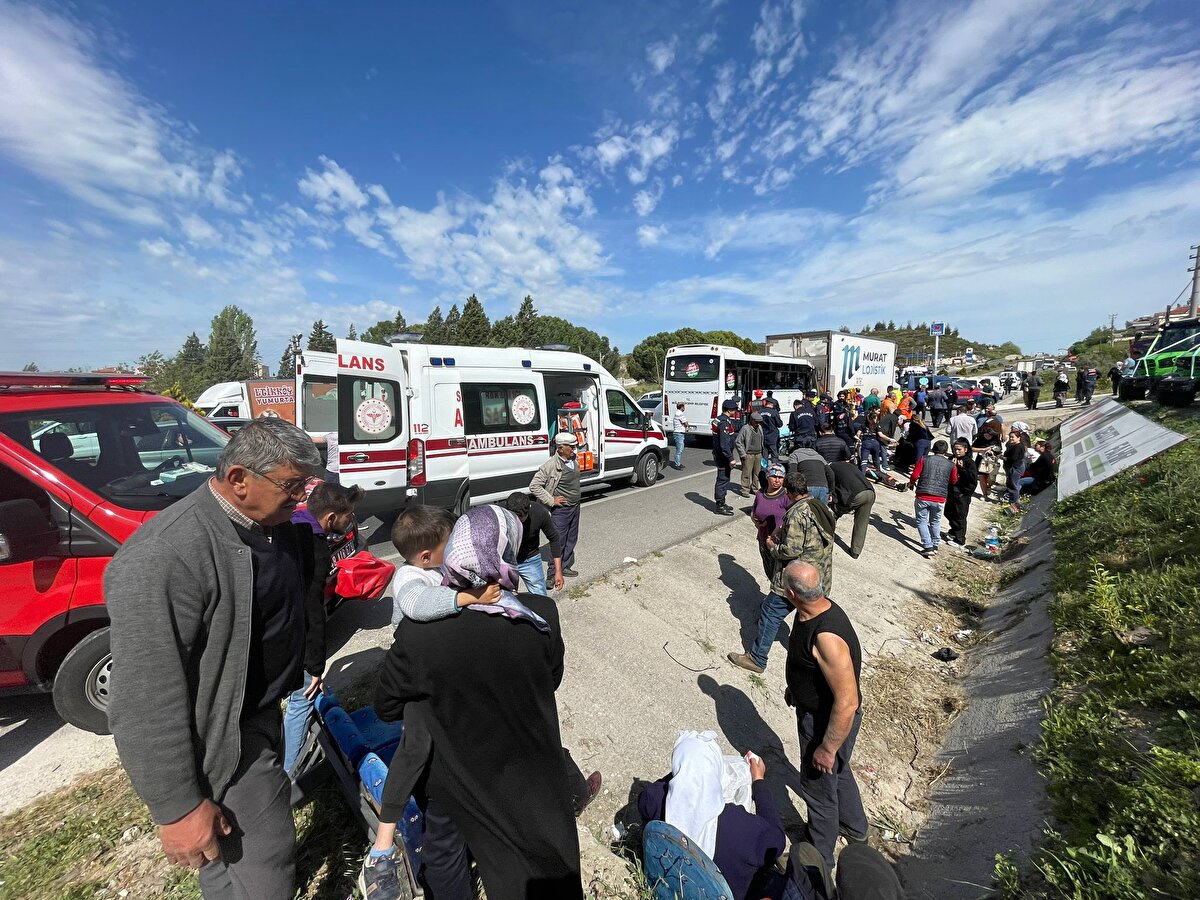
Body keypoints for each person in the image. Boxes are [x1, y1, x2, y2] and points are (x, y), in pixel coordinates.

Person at [106, 419, 322, 900]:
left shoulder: (269, 523)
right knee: (266, 869)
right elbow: (143, 698)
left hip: (262, 713)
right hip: (225, 735)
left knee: (229, 862)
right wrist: (178, 808)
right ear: (240, 479)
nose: (301, 498)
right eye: (293, 485)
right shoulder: (164, 556)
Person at [374, 506, 584, 900]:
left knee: (445, 851)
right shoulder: (540, 616)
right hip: (527, 766)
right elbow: (549, 680)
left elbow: (385, 707)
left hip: (457, 776)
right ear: (508, 551)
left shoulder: (419, 636)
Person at [362, 505, 504, 898]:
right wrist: (467, 598)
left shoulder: (439, 568)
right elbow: (416, 607)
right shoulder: (409, 576)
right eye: (449, 546)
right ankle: (383, 846)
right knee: (414, 750)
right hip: (418, 677)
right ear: (425, 556)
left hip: (445, 673)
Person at [781, 561, 869, 869]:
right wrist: (795, 687)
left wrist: (828, 747)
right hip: (818, 712)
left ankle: (819, 858)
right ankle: (856, 830)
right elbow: (808, 666)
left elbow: (846, 702)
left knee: (818, 787)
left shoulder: (827, 637)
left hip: (827, 722)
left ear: (792, 593)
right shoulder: (810, 611)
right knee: (839, 772)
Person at [638, 731, 787, 900]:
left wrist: (686, 770)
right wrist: (759, 781)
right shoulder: (742, 828)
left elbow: (649, 795)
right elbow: (777, 840)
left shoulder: (655, 800)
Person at [282, 481, 365, 774]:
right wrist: (315, 666)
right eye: (347, 516)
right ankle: (289, 773)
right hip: (294, 634)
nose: (350, 520)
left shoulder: (295, 522)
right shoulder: (314, 549)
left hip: (281, 628)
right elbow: (313, 611)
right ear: (330, 518)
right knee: (302, 698)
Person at [728, 472, 835, 674]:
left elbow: (791, 551)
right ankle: (814, 656)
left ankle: (757, 659)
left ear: (789, 491)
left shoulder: (797, 513)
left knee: (770, 610)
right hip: (820, 574)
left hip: (799, 577)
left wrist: (771, 546)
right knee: (807, 616)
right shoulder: (818, 506)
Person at [530, 432, 582, 577]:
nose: (574, 449)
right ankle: (553, 574)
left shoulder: (574, 458)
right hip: (561, 511)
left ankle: (564, 566)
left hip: (575, 506)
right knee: (558, 541)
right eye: (571, 447)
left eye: (575, 446)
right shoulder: (551, 465)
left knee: (571, 539)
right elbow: (534, 486)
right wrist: (552, 500)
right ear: (560, 448)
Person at [502, 491, 564, 595]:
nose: (516, 522)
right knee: (504, 598)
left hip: (529, 559)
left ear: (528, 510)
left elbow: (554, 538)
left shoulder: (539, 512)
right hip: (505, 561)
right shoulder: (499, 512)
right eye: (513, 518)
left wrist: (558, 571)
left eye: (520, 518)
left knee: (540, 596)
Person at [907, 439, 957, 557]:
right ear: (946, 451)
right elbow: (954, 480)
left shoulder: (924, 459)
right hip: (940, 497)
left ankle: (928, 545)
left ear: (933, 449)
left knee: (922, 521)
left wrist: (911, 483)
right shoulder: (951, 465)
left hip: (923, 495)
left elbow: (914, 475)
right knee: (935, 522)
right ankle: (935, 544)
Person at [751, 463, 794, 579]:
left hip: (780, 544)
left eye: (780, 478)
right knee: (770, 572)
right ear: (767, 477)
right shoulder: (760, 493)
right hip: (763, 539)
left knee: (781, 577)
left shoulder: (786, 496)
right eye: (774, 477)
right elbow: (753, 513)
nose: (777, 480)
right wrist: (758, 522)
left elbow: (794, 518)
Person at [827, 462, 875, 559]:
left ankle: (826, 540)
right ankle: (855, 551)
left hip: (856, 494)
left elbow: (832, 489)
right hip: (870, 492)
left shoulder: (829, 468)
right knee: (862, 523)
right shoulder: (846, 465)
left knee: (833, 513)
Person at [944, 438, 978, 547]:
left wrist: (962, 468)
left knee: (960, 516)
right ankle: (953, 531)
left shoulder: (969, 462)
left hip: (963, 493)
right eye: (955, 449)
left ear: (966, 449)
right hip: (951, 492)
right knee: (949, 512)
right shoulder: (951, 459)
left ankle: (960, 540)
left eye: (959, 449)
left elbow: (972, 479)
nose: (957, 452)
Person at [736, 412, 766, 495]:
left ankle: (755, 488)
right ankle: (745, 490)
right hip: (748, 454)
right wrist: (743, 454)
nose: (758, 423)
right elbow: (738, 442)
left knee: (757, 473)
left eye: (759, 422)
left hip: (758, 454)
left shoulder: (760, 427)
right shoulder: (745, 428)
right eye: (756, 421)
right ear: (751, 420)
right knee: (746, 473)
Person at [1003, 430, 1030, 514]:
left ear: (1018, 438)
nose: (1011, 438)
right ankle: (1013, 502)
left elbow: (1013, 458)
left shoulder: (1018, 447)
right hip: (1016, 467)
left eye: (1012, 437)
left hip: (1015, 468)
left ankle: (1014, 504)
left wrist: (1003, 457)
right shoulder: (1016, 445)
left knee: (1013, 486)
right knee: (1012, 484)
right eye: (1010, 437)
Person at [670, 402, 690, 469]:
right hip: (678, 433)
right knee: (679, 450)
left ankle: (678, 463)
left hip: (679, 433)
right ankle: (677, 464)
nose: (684, 408)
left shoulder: (678, 413)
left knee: (680, 449)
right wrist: (687, 427)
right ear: (681, 407)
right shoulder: (679, 413)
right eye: (684, 406)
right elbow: (685, 422)